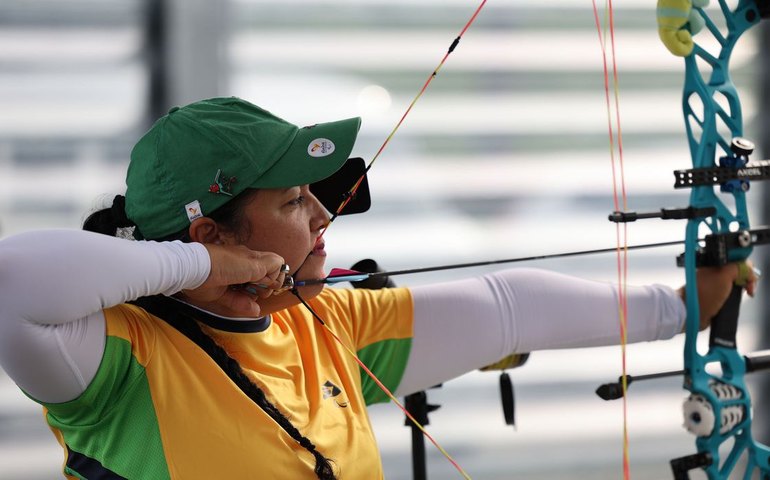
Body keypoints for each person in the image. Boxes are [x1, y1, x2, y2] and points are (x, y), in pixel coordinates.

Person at [0, 97, 755, 480]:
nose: (324, 216)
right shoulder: (114, 361)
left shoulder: (326, 324)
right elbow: (12, 281)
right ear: (213, 236)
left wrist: (686, 307)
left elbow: (507, 308)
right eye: (295, 202)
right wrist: (203, 270)